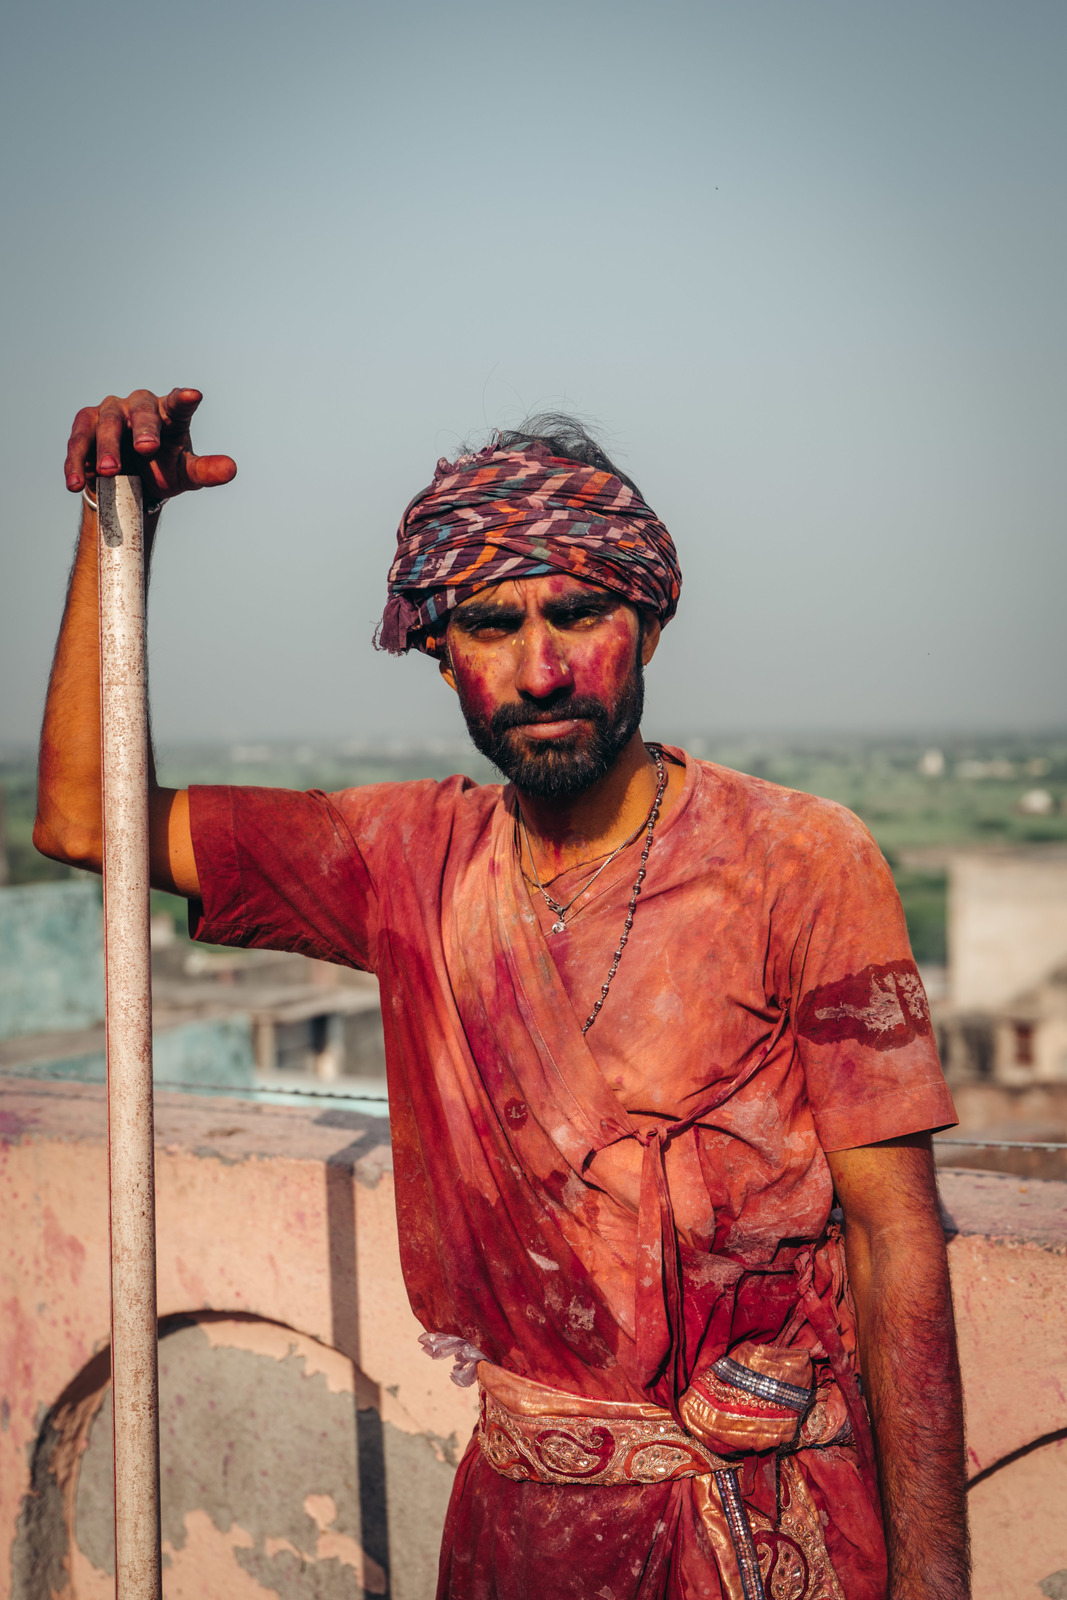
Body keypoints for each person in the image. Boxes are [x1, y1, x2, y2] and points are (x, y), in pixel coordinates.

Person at [37, 387, 970, 1600]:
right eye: (488, 625)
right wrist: (121, 532)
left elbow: (895, 1234)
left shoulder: (798, 859)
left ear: (644, 623)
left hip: (767, 1528)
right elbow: (80, 816)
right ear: (439, 656)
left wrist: (934, 1581)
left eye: (575, 614)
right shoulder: (406, 863)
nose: (539, 669)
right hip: (520, 1534)